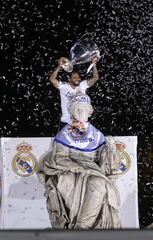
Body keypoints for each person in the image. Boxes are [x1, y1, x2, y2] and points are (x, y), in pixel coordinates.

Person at [37, 94, 121, 229]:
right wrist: (76, 167)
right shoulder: (65, 134)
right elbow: (59, 157)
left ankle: (83, 226)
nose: (80, 112)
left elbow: (106, 163)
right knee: (66, 181)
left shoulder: (97, 135)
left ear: (90, 111)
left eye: (83, 109)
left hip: (93, 170)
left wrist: (111, 150)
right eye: (77, 109)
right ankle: (74, 223)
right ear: (71, 111)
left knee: (98, 183)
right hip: (70, 169)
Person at [49, 57, 99, 130]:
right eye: (74, 77)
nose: (77, 79)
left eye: (78, 77)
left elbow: (95, 78)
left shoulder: (82, 85)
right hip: (67, 122)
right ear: (69, 79)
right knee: (61, 141)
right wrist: (59, 66)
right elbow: (52, 79)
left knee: (85, 141)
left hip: (81, 122)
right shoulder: (63, 87)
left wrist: (94, 65)